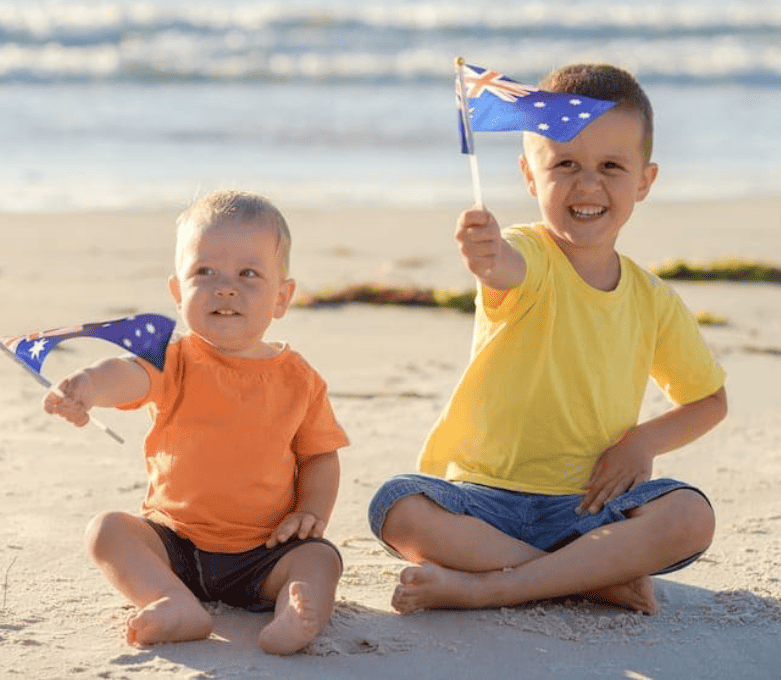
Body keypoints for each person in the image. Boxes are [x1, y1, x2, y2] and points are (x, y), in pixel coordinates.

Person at [367, 63, 727, 616]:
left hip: (589, 508)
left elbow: (708, 402)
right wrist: (487, 255)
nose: (588, 185)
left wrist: (641, 443)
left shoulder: (654, 300)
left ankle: (498, 585)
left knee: (690, 516)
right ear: (530, 177)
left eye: (611, 166)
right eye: (564, 165)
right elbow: (506, 269)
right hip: (485, 501)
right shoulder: (528, 252)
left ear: (645, 181)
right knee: (396, 506)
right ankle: (588, 577)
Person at [44, 190, 349, 654]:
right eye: (205, 273)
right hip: (176, 545)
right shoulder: (173, 359)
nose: (225, 287)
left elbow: (319, 456)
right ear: (177, 291)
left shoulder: (300, 379)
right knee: (108, 530)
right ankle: (171, 601)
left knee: (320, 560)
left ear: (282, 296)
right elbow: (126, 376)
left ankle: (297, 611)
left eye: (248, 274)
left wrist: (311, 513)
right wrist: (87, 385)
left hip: (267, 553)